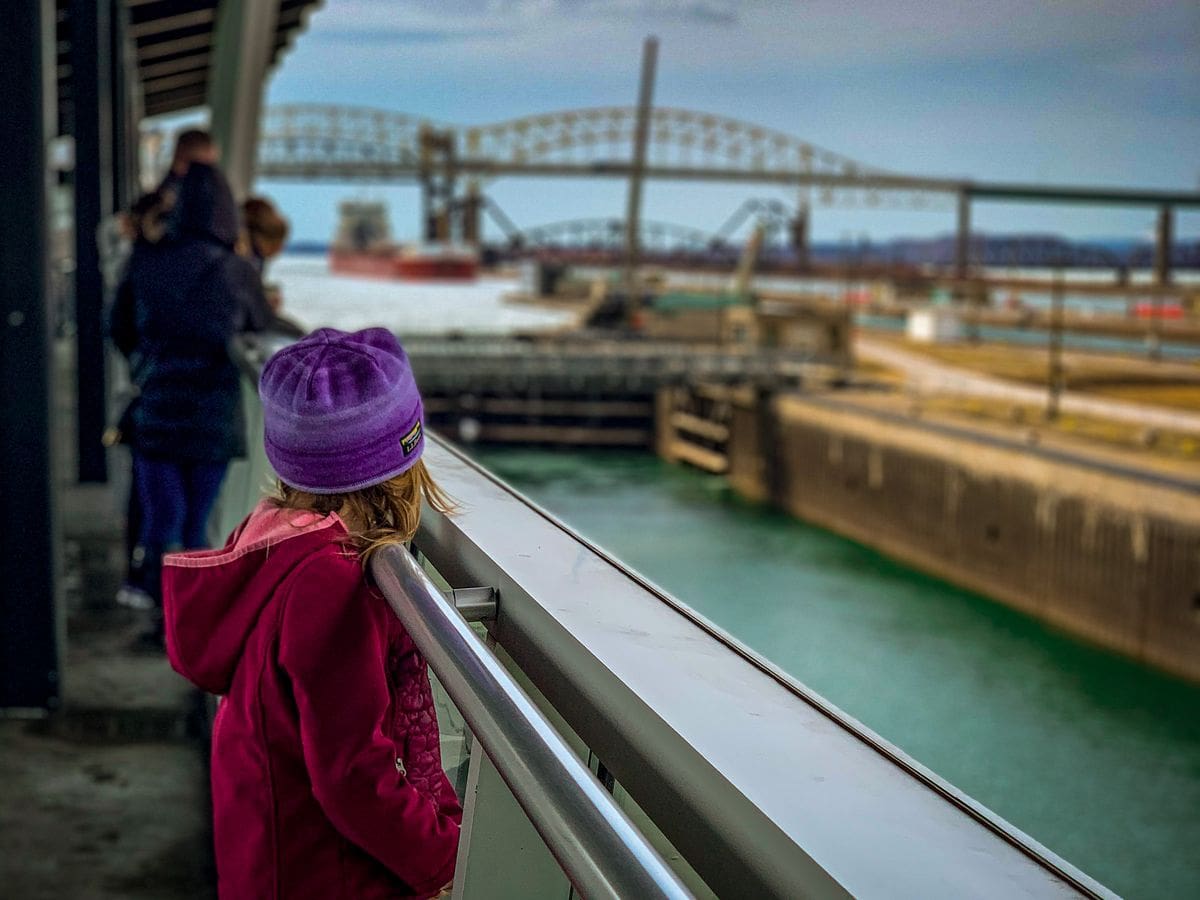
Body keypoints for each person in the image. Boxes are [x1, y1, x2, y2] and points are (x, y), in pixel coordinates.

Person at [162, 327, 461, 898]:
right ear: (402, 467)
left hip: (272, 852)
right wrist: (441, 862)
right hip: (326, 873)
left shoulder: (277, 542)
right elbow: (351, 770)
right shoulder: (331, 581)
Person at [109, 161, 270, 647]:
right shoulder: (237, 270)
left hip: (157, 409)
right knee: (199, 523)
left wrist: (146, 362)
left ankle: (161, 615)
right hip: (213, 416)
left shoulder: (146, 259)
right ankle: (192, 623)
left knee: (162, 520)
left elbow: (118, 327)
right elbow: (259, 324)